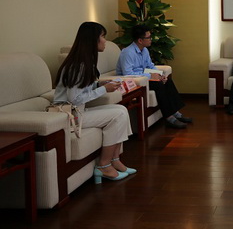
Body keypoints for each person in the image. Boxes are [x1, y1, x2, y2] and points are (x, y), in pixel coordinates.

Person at [54, 22, 136, 183]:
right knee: (118, 115)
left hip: (78, 112)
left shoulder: (85, 62)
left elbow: (81, 89)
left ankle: (115, 160)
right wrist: (104, 89)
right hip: (69, 117)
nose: (105, 41)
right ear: (93, 39)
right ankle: (104, 165)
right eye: (103, 36)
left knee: (121, 110)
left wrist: (99, 85)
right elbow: (74, 99)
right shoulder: (78, 65)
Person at [116, 24, 191, 129]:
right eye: (148, 37)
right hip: (134, 82)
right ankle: (169, 118)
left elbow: (150, 66)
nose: (151, 39)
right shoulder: (128, 52)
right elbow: (127, 74)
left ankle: (175, 112)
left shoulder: (144, 50)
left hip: (144, 77)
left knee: (167, 81)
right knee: (158, 85)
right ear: (140, 40)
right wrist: (150, 76)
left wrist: (160, 75)